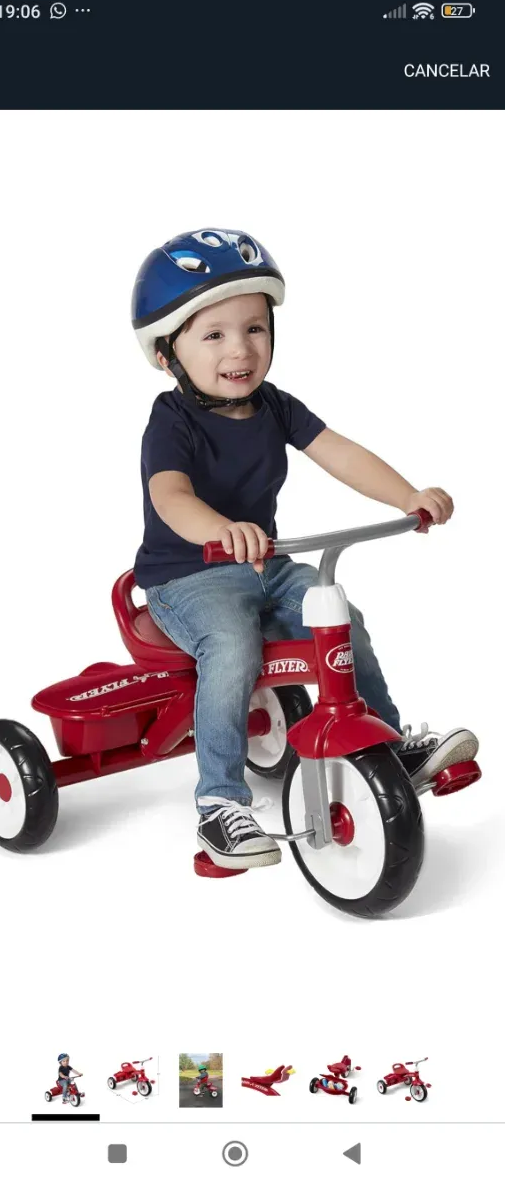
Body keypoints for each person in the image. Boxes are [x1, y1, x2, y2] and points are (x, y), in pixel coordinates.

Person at [131, 228, 478, 871]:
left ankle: (388, 744)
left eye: (254, 329)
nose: (240, 349)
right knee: (231, 646)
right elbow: (170, 495)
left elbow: (339, 452)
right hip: (188, 577)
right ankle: (219, 801)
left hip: (267, 565)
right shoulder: (171, 419)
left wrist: (407, 495)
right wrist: (221, 529)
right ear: (165, 353)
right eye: (214, 335)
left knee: (337, 617)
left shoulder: (276, 406)